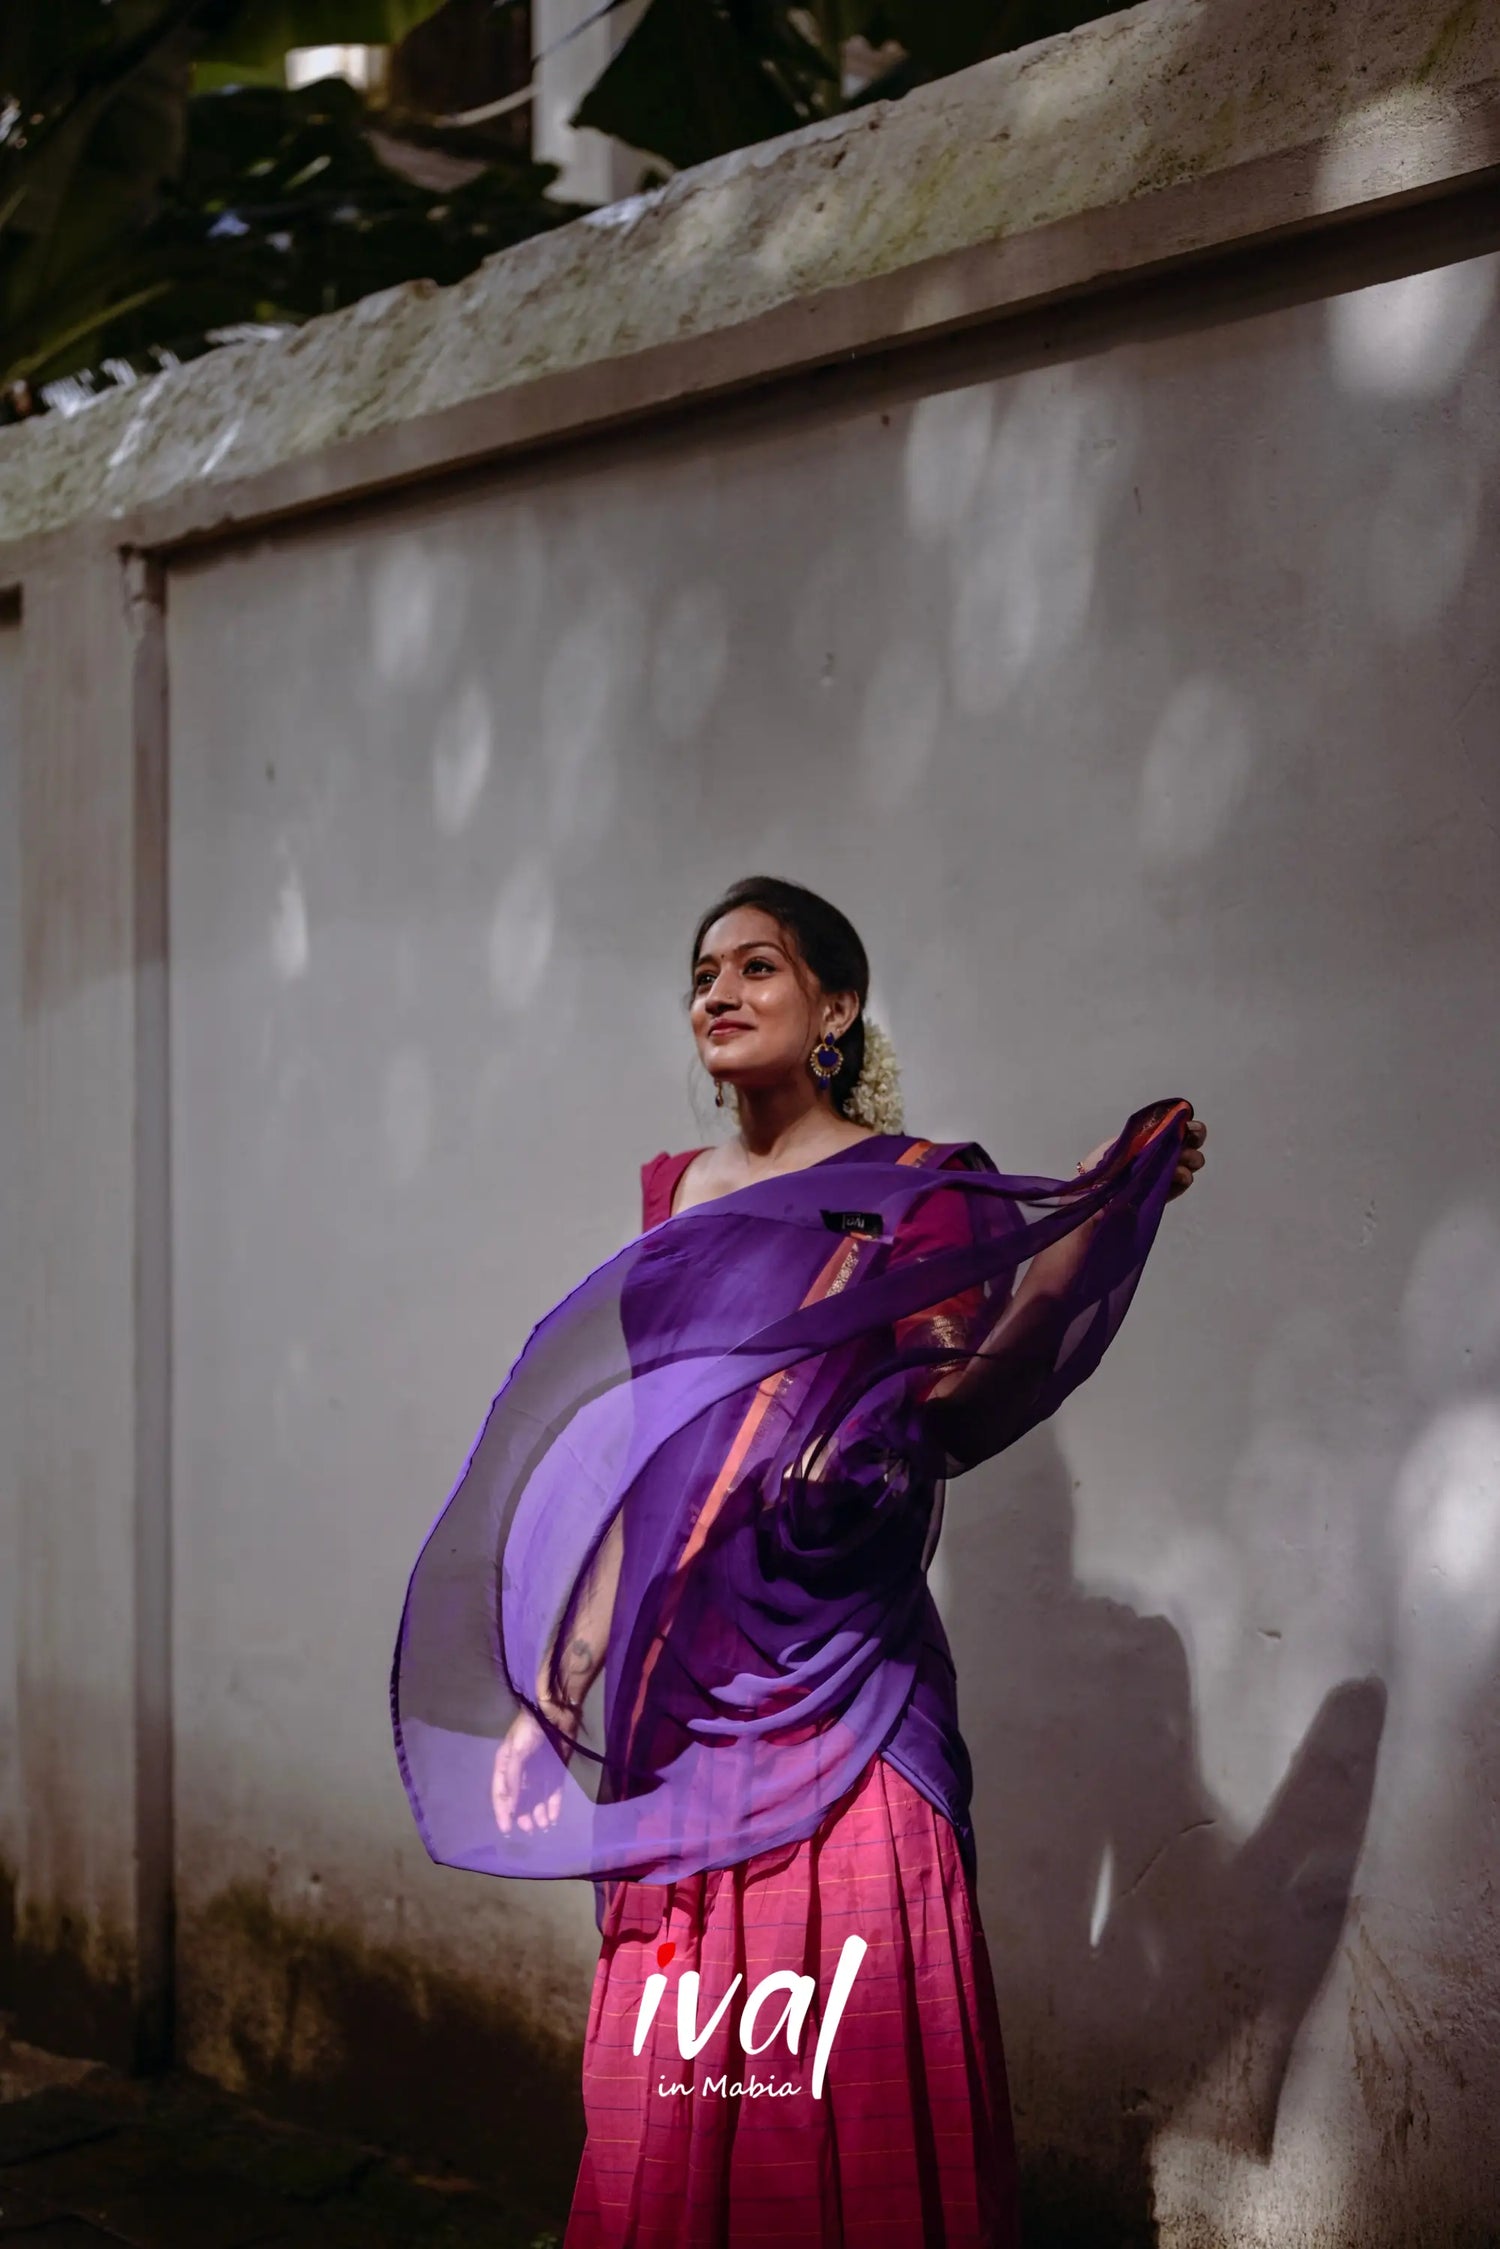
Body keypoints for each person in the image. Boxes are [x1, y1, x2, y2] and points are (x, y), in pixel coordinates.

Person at [390, 875, 1206, 2248]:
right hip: (676, 1692)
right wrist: (563, 1685)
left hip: (840, 1680)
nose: (716, 989)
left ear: (835, 1008)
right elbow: (660, 1458)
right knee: (681, 2069)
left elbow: (951, 1396)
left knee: (855, 2039)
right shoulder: (674, 1195)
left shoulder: (917, 1188)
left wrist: (1102, 1226)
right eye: (703, 971)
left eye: (757, 966)